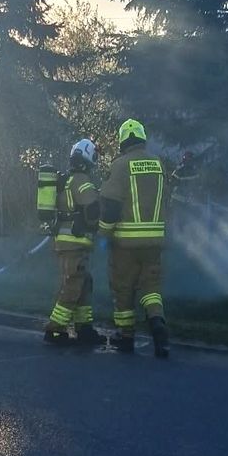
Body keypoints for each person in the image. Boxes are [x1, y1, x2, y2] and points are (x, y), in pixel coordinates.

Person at [98, 119, 170, 358]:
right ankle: (157, 323)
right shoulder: (158, 164)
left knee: (123, 287)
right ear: (142, 139)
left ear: (122, 142)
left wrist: (104, 233)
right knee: (151, 287)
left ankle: (126, 336)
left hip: (125, 243)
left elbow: (110, 205)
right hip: (154, 241)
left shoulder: (121, 165)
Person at [44, 138, 102, 347]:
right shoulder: (81, 181)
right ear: (88, 157)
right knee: (72, 285)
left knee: (83, 284)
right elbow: (93, 210)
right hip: (74, 243)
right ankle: (55, 330)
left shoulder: (67, 180)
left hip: (66, 243)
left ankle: (84, 328)